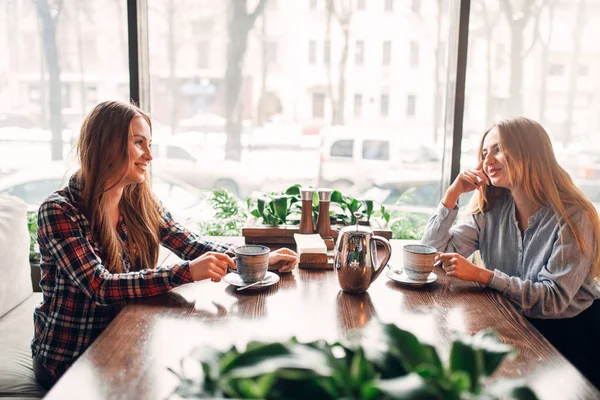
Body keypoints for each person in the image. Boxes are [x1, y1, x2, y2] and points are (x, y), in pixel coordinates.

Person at [31, 100, 298, 389]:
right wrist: (184, 273)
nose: (149, 155)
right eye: (138, 143)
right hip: (71, 357)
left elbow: (192, 245)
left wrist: (257, 261)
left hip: (127, 336)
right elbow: (100, 286)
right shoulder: (59, 210)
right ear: (106, 145)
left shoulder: (138, 200)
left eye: (149, 144)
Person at [421, 116, 600, 387]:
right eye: (484, 153)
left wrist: (483, 275)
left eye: (498, 149)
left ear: (530, 153)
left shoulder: (574, 216)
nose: (487, 160)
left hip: (569, 337)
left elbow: (552, 301)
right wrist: (452, 194)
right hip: (511, 324)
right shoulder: (490, 208)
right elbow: (432, 254)